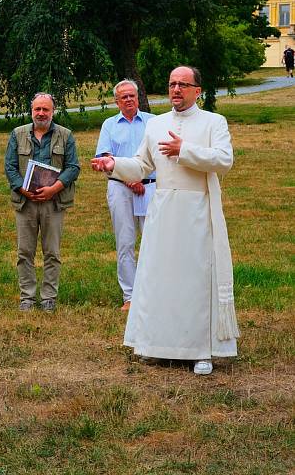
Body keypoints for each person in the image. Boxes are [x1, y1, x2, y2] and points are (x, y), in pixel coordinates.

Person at [92, 66, 239, 375]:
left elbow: (224, 160)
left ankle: (201, 352)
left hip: (197, 209)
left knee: (195, 280)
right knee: (161, 277)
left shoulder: (214, 122)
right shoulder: (156, 125)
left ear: (197, 90)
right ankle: (157, 344)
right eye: (172, 83)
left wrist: (185, 150)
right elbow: (142, 165)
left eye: (183, 85)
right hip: (163, 209)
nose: (176, 89)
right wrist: (113, 163)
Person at [5, 92, 80, 312]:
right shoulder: (17, 134)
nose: (41, 113)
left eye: (45, 109)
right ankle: (27, 298)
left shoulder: (65, 135)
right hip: (25, 202)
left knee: (52, 252)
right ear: (31, 111)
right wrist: (23, 189)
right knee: (24, 252)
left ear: (52, 111)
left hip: (53, 202)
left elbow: (73, 167)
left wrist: (54, 189)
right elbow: (9, 167)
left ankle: (49, 297)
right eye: (37, 109)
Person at [95, 79, 155, 311]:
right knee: (125, 242)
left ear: (138, 97)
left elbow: (158, 156)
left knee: (153, 241)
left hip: (150, 186)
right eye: (124, 97)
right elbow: (105, 157)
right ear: (117, 101)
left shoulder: (153, 122)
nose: (129, 99)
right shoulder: (109, 125)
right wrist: (129, 178)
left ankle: (153, 293)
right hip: (120, 187)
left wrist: (139, 178)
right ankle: (130, 297)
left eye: (132, 95)